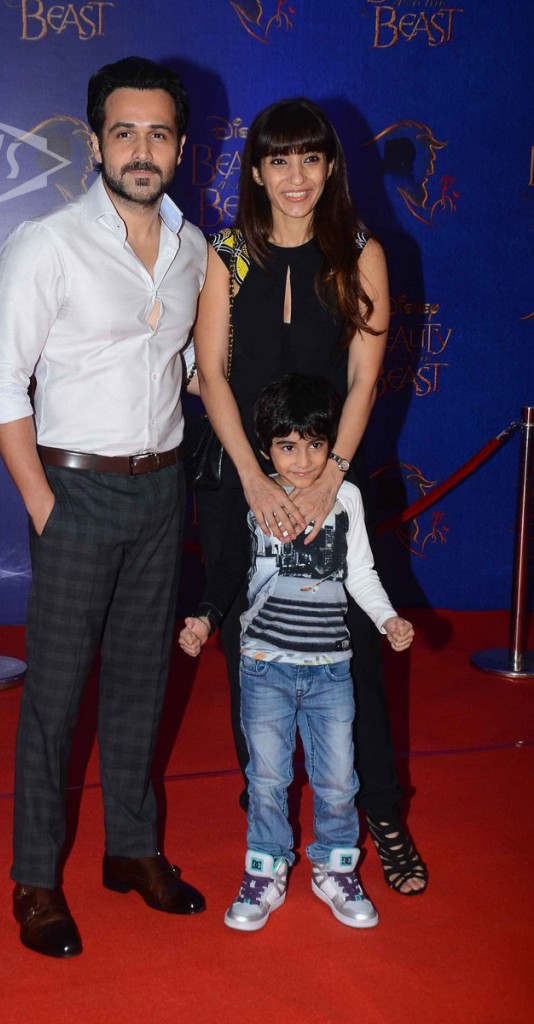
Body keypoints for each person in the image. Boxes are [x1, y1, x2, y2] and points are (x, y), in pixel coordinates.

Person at [0, 56, 208, 959]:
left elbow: (191, 368)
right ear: (95, 142)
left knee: (144, 683)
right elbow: (0, 384)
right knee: (57, 697)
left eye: (158, 134)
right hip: (74, 489)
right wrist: (43, 505)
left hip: (163, 488)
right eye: (124, 132)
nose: (142, 151)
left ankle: (131, 850)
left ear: (180, 147)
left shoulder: (193, 249)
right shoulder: (47, 242)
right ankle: (35, 879)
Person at [191, 97, 427, 895]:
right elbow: (211, 374)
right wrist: (255, 479)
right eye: (279, 159)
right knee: (249, 652)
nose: (296, 176)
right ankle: (264, 813)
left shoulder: (359, 252)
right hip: (241, 483)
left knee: (354, 655)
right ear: (257, 171)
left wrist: (330, 478)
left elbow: (364, 377)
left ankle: (382, 813)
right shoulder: (227, 254)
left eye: (311, 157)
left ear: (331, 167)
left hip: (333, 482)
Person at [180, 374, 415, 931]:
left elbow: (362, 573)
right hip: (264, 666)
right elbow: (229, 570)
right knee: (265, 778)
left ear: (332, 446)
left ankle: (336, 868)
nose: (303, 460)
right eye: (288, 447)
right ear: (266, 451)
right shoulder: (255, 499)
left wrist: (387, 618)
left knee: (338, 781)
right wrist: (204, 618)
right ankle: (264, 869)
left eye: (315, 445)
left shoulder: (346, 499)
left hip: (331, 670)